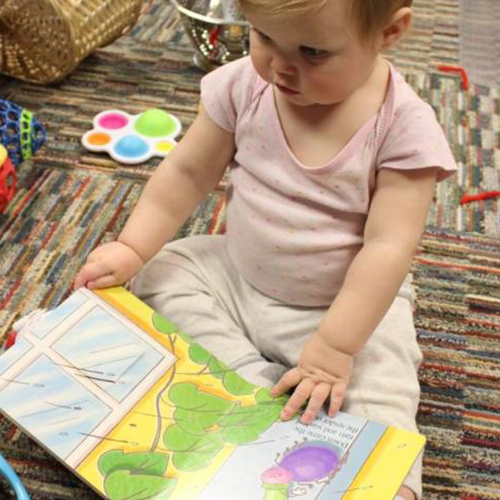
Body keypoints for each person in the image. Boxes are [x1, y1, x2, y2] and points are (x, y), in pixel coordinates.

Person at [74, 0, 456, 497]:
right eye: (263, 36)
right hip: (237, 273)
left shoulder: (403, 127)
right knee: (161, 271)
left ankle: (380, 476)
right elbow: (188, 172)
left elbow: (388, 248)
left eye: (312, 51)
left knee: (384, 379)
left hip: (343, 306)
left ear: (389, 33)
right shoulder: (243, 85)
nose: (279, 65)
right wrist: (132, 247)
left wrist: (335, 347)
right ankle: (257, 384)